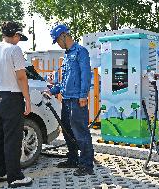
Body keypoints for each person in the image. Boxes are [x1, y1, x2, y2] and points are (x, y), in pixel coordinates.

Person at [0, 21, 32, 188]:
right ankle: (15, 177)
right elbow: (21, 77)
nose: (19, 40)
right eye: (19, 36)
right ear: (15, 35)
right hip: (12, 98)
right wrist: (27, 100)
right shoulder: (14, 49)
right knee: (12, 139)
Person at [48, 24, 94, 176]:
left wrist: (83, 95)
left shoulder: (81, 52)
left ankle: (87, 164)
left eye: (57, 41)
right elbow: (64, 80)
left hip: (77, 99)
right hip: (66, 100)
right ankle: (73, 158)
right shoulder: (66, 56)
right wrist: (52, 90)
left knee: (81, 132)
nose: (58, 44)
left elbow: (86, 75)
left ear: (63, 36)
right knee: (67, 131)